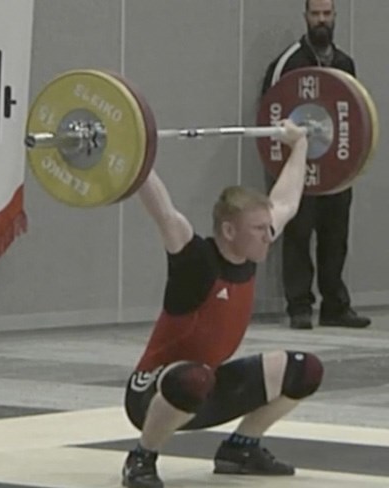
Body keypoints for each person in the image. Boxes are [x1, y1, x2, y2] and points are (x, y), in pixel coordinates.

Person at [121, 120, 324, 488]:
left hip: (204, 384)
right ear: (229, 231)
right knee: (193, 377)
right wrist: (133, 151)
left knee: (304, 370)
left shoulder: (251, 247)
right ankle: (142, 457)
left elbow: (286, 202)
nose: (269, 236)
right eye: (259, 230)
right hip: (152, 393)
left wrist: (300, 145)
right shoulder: (194, 259)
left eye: (267, 228)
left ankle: (240, 449)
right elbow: (162, 210)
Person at [260, 0, 371, 331]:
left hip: (338, 166)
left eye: (327, 14)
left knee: (335, 236)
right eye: (315, 14)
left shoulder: (345, 63)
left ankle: (335, 305)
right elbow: (271, 115)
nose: (321, 20)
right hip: (298, 169)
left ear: (335, 17)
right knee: (297, 234)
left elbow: (354, 114)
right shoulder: (287, 63)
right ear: (305, 18)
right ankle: (299, 306)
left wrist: (352, 162)